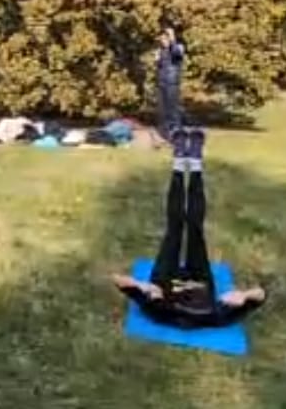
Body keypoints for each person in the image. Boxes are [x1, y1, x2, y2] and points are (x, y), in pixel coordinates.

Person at [112, 128, 267, 329]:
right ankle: (194, 163)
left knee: (174, 228)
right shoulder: (214, 315)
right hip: (199, 276)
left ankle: (179, 162)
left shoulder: (160, 310)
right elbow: (262, 295)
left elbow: (117, 280)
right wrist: (243, 295)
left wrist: (143, 286)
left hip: (164, 279)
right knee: (194, 228)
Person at [155, 26, 186, 142]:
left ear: (169, 39)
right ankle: (165, 136)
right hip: (161, 84)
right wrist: (157, 60)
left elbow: (177, 54)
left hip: (172, 83)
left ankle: (177, 135)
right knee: (163, 111)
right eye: (161, 39)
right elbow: (160, 68)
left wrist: (172, 37)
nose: (162, 41)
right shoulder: (161, 51)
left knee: (173, 111)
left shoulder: (178, 48)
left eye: (164, 39)